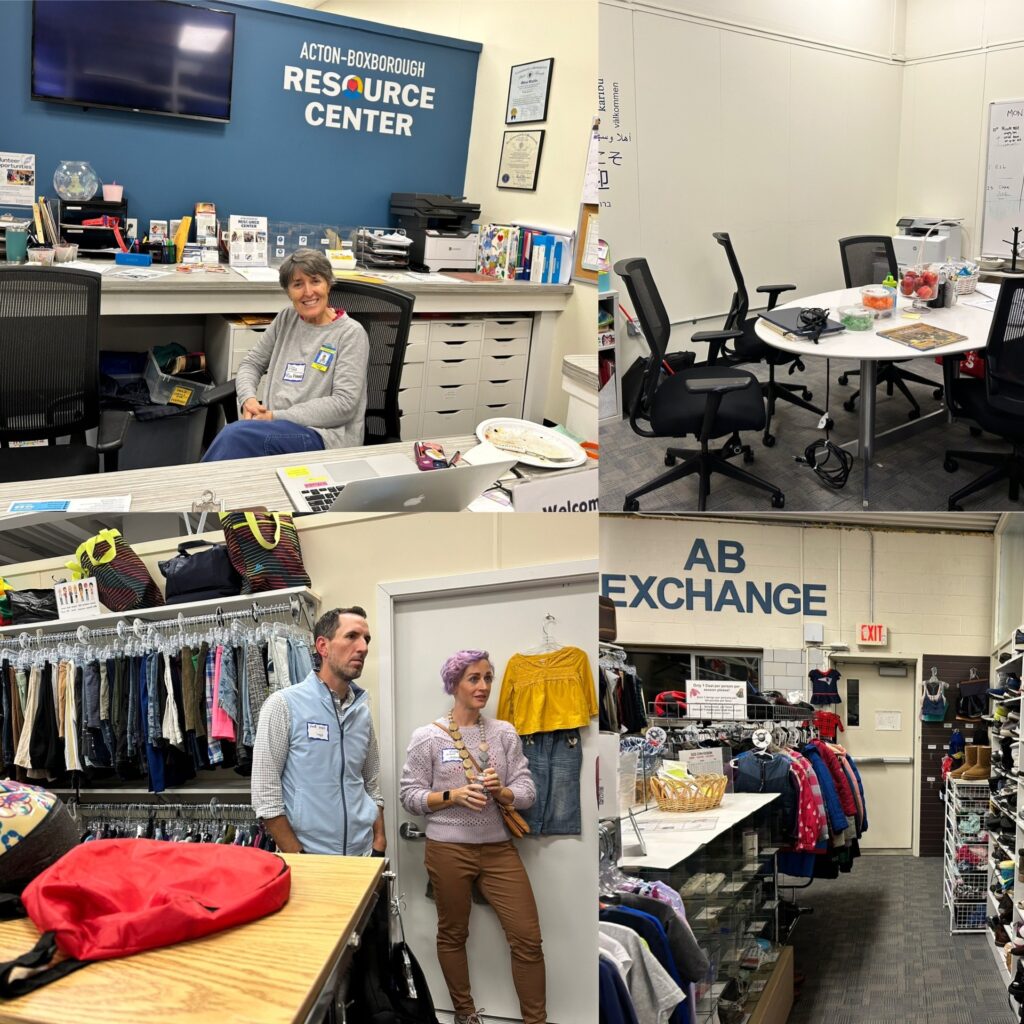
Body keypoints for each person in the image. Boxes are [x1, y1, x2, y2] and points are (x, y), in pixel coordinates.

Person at [400, 650, 545, 1024]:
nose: (482, 687)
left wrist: (504, 793)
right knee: (452, 934)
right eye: (473, 679)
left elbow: (527, 790)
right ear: (454, 685)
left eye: (487, 678)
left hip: (499, 850)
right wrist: (452, 795)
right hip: (448, 849)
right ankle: (465, 1014)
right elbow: (409, 797)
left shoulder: (503, 733)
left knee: (528, 938)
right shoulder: (428, 737)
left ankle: (536, 1020)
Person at [202, 248, 369, 461]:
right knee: (235, 440)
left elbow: (344, 404)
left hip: (324, 437)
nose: (308, 292)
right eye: (298, 284)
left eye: (315, 281)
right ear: (288, 291)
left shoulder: (350, 333)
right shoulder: (286, 319)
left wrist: (274, 417)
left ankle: (193, 492)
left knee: (234, 436)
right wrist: (248, 400)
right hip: (275, 427)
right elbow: (251, 364)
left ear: (328, 284)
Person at [251, 606, 386, 856]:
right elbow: (265, 796)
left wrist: (379, 841)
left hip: (363, 855)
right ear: (323, 647)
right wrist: (300, 857)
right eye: (351, 636)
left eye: (366, 639)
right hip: (310, 859)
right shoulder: (283, 705)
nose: (363, 647)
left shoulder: (361, 713)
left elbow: (371, 783)